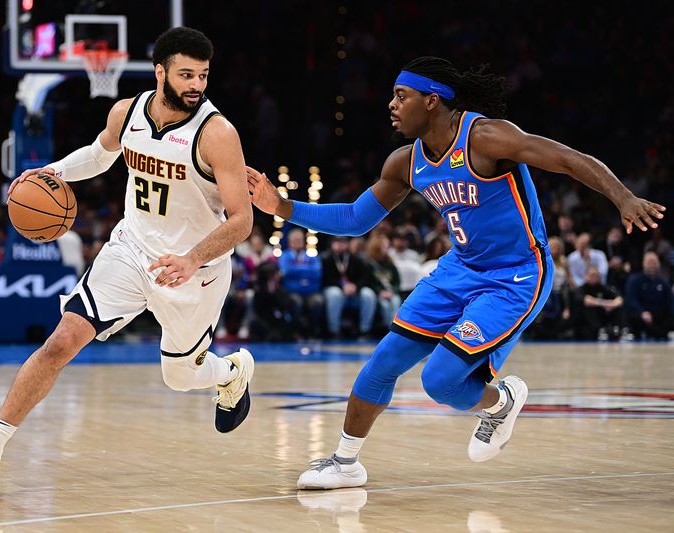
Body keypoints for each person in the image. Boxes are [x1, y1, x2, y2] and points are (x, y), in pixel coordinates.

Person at [246, 56, 665, 489]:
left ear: (432, 101)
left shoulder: (486, 137)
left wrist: (623, 198)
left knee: (440, 380)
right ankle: (346, 462)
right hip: (459, 269)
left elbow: (568, 159)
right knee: (382, 363)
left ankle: (500, 402)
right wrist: (283, 207)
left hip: (515, 275)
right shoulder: (405, 162)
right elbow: (356, 218)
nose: (391, 104)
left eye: (401, 96)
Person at [0, 27, 255, 486]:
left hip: (195, 272)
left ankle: (230, 371)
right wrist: (51, 172)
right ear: (160, 72)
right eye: (186, 74)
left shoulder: (217, 134)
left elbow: (242, 221)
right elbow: (99, 154)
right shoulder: (126, 112)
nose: (196, 85)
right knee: (61, 341)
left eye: (203, 75)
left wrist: (190, 259)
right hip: (130, 251)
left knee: (178, 376)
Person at [625, 252, 672, 340]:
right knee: (634, 316)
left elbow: (669, 301)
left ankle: (658, 333)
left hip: (658, 315)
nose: (652, 266)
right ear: (644, 264)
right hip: (641, 314)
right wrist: (642, 312)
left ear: (658, 264)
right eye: (649, 263)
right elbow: (631, 299)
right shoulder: (634, 280)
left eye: (654, 262)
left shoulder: (663, 282)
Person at [572, 265, 624, 340]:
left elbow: (620, 299)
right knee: (588, 308)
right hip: (584, 322)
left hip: (603, 316)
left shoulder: (604, 287)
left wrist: (611, 305)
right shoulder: (580, 289)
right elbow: (587, 301)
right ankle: (600, 330)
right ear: (586, 276)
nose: (594, 277)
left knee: (619, 308)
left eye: (596, 275)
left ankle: (623, 330)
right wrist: (606, 303)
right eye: (592, 275)